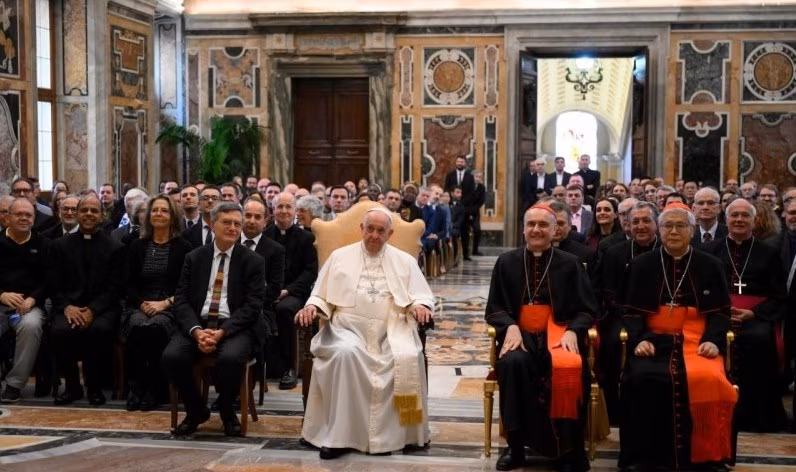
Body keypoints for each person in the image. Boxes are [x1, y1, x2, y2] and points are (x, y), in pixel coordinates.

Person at [295, 208, 434, 459]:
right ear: (362, 229)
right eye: (370, 229)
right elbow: (320, 294)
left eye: (381, 231)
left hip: (392, 330)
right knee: (344, 355)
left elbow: (420, 295)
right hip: (346, 330)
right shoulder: (338, 257)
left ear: (390, 234)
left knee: (406, 357)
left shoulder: (405, 261)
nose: (374, 235)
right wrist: (312, 306)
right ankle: (338, 438)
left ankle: (407, 431)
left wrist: (420, 305)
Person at [619, 202, 737, 472]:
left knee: (710, 378)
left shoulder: (711, 264)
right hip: (654, 339)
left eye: (680, 225)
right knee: (640, 378)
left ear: (692, 230)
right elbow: (631, 312)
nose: (673, 231)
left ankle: (710, 456)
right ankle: (641, 457)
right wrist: (640, 339)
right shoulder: (641, 264)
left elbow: (721, 312)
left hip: (698, 342)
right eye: (667, 226)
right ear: (659, 230)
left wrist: (714, 340)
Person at [486, 204, 597, 472]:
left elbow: (587, 309)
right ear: (523, 229)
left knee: (567, 366)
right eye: (531, 224)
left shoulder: (570, 264)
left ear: (554, 230)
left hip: (559, 334)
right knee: (513, 364)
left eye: (543, 225)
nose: (537, 230)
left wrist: (573, 330)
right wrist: (509, 326)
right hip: (520, 335)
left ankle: (569, 451)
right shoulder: (506, 262)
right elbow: (495, 308)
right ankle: (515, 448)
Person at [162, 202, 266, 437]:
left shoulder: (253, 261)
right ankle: (196, 409)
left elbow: (253, 306)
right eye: (226, 222)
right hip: (197, 323)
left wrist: (222, 332)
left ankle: (227, 410)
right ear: (212, 224)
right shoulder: (194, 257)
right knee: (172, 357)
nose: (232, 228)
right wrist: (197, 331)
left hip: (236, 327)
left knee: (230, 358)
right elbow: (181, 299)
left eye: (237, 224)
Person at [702, 198, 788, 432]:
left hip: (755, 317)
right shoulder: (709, 251)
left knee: (760, 339)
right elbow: (701, 289)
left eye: (744, 216)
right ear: (726, 219)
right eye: (734, 215)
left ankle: (756, 416)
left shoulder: (769, 253)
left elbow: (779, 295)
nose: (739, 219)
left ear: (753, 220)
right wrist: (720, 312)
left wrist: (753, 313)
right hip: (717, 314)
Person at [48, 195, 126, 406]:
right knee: (60, 330)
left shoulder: (115, 247)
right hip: (68, 307)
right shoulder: (59, 246)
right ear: (77, 214)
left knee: (97, 330)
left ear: (102, 216)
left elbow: (115, 288)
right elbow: (54, 284)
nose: (89, 214)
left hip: (103, 308)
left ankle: (94, 387)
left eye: (94, 211)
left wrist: (92, 309)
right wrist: (67, 307)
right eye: (84, 210)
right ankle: (71, 387)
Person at [123, 196, 193, 412]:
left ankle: (155, 389)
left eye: (164, 211)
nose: (159, 214)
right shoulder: (137, 246)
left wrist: (165, 303)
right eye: (155, 210)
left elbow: (187, 286)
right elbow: (127, 283)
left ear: (173, 216)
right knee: (137, 326)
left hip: (170, 305)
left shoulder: (184, 248)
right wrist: (142, 303)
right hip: (139, 303)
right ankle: (136, 387)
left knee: (154, 328)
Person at [597, 201, 659, 424]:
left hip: (658, 315)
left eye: (646, 221)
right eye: (635, 222)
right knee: (613, 342)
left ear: (656, 224)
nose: (640, 226)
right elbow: (608, 291)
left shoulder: (664, 250)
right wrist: (627, 314)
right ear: (628, 225)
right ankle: (615, 410)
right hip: (622, 315)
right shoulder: (615, 253)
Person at [265, 192, 318, 389]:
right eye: (280, 207)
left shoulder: (307, 238)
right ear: (273, 210)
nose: (284, 211)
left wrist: (287, 291)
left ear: (295, 211)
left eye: (289, 207)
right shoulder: (265, 236)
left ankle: (289, 367)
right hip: (268, 291)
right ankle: (260, 366)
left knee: (284, 310)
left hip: (295, 293)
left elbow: (310, 272)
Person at [0, 198, 49, 402]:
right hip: (1, 302)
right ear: (7, 217)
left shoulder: (44, 244)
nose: (23, 218)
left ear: (34, 218)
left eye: (28, 215)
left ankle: (14, 384)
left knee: (31, 327)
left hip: (30, 305)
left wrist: (33, 299)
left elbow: (51, 279)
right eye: (18, 214)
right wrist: (1, 294)